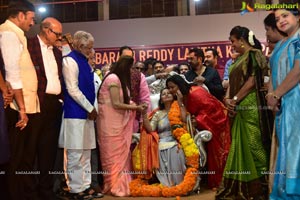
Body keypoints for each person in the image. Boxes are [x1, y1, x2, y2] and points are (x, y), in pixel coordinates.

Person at [215, 26, 273, 199]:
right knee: (240, 145)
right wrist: (227, 99)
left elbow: (253, 80)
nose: (231, 45)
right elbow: (232, 83)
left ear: (242, 39)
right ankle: (245, 187)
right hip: (236, 106)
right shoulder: (237, 60)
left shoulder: (255, 55)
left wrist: (235, 98)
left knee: (254, 144)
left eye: (232, 41)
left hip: (249, 105)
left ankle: (263, 187)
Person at [20, 17, 63, 200]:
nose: (59, 37)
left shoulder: (57, 52)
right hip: (35, 103)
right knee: (30, 150)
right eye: (57, 34)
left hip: (54, 105)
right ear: (46, 30)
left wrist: (60, 100)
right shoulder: (28, 46)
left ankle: (46, 191)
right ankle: (29, 192)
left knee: (48, 151)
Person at [166, 74, 231, 190]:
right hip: (201, 125)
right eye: (169, 88)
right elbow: (184, 117)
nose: (170, 91)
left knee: (219, 152)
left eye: (172, 87)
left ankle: (223, 182)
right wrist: (180, 101)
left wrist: (199, 120)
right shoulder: (180, 97)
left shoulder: (196, 93)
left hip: (218, 123)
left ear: (180, 85)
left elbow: (213, 109)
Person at [0, 1, 38, 199]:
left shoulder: (17, 33)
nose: (33, 23)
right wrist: (22, 108)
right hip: (14, 106)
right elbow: (12, 73)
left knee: (22, 156)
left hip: (22, 104)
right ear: (20, 16)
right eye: (31, 18)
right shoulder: (8, 32)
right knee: (13, 157)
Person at [58, 31, 101, 199]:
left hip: (88, 113)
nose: (91, 51)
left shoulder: (85, 61)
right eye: (89, 48)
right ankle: (75, 189)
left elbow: (91, 89)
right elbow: (72, 89)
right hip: (74, 113)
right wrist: (90, 108)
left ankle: (86, 185)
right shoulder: (69, 60)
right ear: (80, 46)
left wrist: (93, 110)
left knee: (86, 153)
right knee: (75, 154)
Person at [97, 55, 147, 197]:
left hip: (118, 121)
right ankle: (113, 185)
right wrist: (135, 108)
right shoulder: (112, 78)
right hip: (109, 123)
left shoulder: (119, 79)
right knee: (111, 154)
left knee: (120, 153)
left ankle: (122, 183)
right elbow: (116, 104)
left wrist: (133, 105)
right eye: (130, 67)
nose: (131, 71)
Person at [267, 8, 300, 199]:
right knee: (285, 146)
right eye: (277, 19)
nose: (281, 21)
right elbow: (272, 74)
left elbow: (297, 70)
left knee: (296, 146)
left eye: (285, 16)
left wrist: (276, 94)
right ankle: (285, 191)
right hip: (282, 105)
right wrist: (271, 96)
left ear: (297, 16)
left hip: (296, 101)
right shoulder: (281, 44)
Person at [142, 88, 186, 187]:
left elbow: (184, 120)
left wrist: (181, 103)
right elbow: (150, 129)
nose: (166, 95)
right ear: (161, 99)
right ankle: (167, 185)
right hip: (161, 143)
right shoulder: (158, 114)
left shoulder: (178, 109)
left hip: (177, 141)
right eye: (163, 94)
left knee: (176, 148)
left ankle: (179, 184)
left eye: (168, 93)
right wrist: (144, 114)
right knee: (159, 148)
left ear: (173, 96)